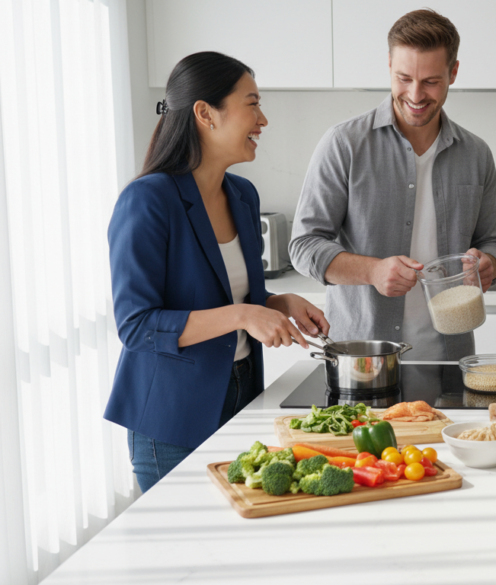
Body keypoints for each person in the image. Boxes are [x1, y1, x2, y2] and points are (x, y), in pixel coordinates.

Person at [106, 52, 328, 492]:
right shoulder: (148, 201)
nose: (262, 119)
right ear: (205, 113)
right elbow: (136, 326)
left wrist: (275, 302)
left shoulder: (242, 196)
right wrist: (244, 316)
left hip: (243, 394)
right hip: (172, 418)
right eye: (252, 103)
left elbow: (233, 293)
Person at [289, 9, 496, 361]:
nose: (416, 95)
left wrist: (490, 265)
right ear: (389, 64)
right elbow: (303, 246)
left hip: (451, 358)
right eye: (404, 77)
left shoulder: (476, 154)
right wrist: (372, 271)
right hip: (364, 360)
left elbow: (493, 242)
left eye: (431, 81)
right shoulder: (344, 144)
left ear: (453, 72)